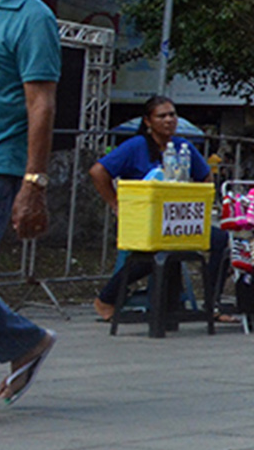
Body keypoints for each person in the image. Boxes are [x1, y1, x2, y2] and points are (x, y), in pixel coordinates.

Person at [0, 0, 59, 404]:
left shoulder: (33, 18)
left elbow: (41, 103)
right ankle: (25, 340)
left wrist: (33, 184)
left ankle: (25, 341)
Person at [88, 97, 211, 323]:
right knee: (155, 250)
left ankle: (212, 305)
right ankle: (107, 298)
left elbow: (205, 176)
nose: (169, 120)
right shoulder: (136, 146)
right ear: (148, 121)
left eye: (172, 115)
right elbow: (98, 172)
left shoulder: (184, 147)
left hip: (178, 219)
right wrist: (115, 203)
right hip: (143, 220)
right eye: (162, 116)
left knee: (221, 240)